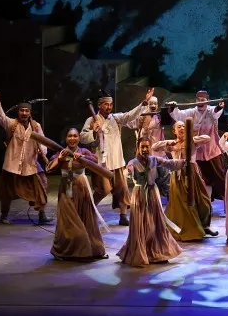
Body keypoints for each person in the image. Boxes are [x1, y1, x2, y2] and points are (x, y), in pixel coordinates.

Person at [81, 90, 151, 226]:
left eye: (110, 104)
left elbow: (129, 115)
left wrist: (144, 103)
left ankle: (123, 216)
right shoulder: (91, 120)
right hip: (101, 162)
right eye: (106, 104)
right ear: (99, 105)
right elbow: (83, 138)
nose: (109, 107)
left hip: (117, 161)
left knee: (122, 189)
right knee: (103, 190)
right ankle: (88, 210)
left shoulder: (116, 118)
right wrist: (93, 131)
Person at [117, 137, 185, 267]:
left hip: (152, 193)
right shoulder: (133, 162)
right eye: (142, 147)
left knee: (156, 223)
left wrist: (183, 162)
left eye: (147, 146)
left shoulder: (154, 160)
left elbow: (169, 163)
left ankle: (158, 251)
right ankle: (142, 253)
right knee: (142, 224)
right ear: (138, 148)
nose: (144, 149)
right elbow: (128, 170)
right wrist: (129, 171)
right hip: (140, 195)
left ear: (150, 147)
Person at [0, 89, 49, 225]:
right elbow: (1, 116)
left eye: (27, 111)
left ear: (30, 113)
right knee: (6, 191)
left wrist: (43, 151)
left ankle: (42, 214)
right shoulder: (12, 124)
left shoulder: (35, 126)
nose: (24, 113)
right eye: (22, 110)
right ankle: (4, 215)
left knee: (41, 185)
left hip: (30, 165)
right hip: (12, 165)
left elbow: (43, 141)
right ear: (18, 112)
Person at [45, 128, 108, 260]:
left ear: (79, 138)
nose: (72, 138)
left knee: (86, 218)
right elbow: (48, 168)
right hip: (66, 189)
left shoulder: (83, 151)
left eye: (75, 136)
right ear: (66, 138)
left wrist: (82, 157)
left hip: (81, 187)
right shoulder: (61, 152)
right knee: (68, 219)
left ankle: (92, 248)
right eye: (70, 136)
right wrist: (60, 159)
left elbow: (95, 160)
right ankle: (67, 251)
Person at [152, 121, 218, 241]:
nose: (182, 128)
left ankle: (205, 226)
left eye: (184, 126)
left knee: (204, 201)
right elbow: (154, 147)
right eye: (179, 127)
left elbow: (207, 138)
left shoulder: (192, 142)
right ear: (174, 131)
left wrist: (191, 138)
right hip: (178, 174)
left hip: (192, 173)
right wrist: (168, 142)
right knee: (184, 203)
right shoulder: (172, 144)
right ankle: (192, 230)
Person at [168, 89, 227, 202]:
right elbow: (179, 115)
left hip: (212, 150)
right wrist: (173, 107)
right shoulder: (191, 112)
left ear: (207, 100)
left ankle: (226, 200)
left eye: (203, 99)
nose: (200, 101)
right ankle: (203, 200)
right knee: (201, 178)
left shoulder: (210, 110)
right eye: (198, 99)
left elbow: (216, 113)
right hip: (197, 151)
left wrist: (219, 106)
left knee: (219, 176)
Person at [129, 95, 169, 197]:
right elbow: (131, 123)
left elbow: (170, 120)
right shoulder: (142, 116)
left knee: (165, 175)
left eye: (155, 103)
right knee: (149, 176)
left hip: (159, 150)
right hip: (147, 151)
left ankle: (163, 195)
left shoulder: (159, 116)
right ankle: (150, 196)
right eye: (151, 103)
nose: (153, 106)